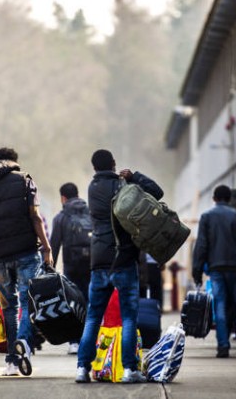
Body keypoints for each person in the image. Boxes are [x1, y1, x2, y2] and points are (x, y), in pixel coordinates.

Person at [75, 149, 163, 383]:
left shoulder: (92, 189)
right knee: (128, 318)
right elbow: (157, 193)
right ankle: (128, 370)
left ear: (94, 167)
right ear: (113, 164)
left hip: (99, 260)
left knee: (93, 316)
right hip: (123, 259)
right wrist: (135, 177)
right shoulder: (124, 186)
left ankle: (82, 369)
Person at [0, 147, 53, 377]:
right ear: (13, 163)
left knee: (8, 307)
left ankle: (11, 362)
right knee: (28, 303)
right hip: (26, 253)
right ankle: (24, 344)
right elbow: (35, 216)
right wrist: (46, 247)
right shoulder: (24, 180)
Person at [192, 184, 236, 358]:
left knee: (221, 305)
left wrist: (197, 271)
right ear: (229, 198)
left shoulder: (207, 216)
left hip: (216, 268)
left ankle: (223, 346)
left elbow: (201, 245)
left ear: (214, 198)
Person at [50, 182, 92, 355]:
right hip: (92, 264)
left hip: (72, 266)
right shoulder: (92, 213)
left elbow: (54, 245)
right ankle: (90, 339)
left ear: (63, 198)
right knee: (91, 301)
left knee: (73, 302)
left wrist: (50, 268)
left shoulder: (61, 217)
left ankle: (74, 342)